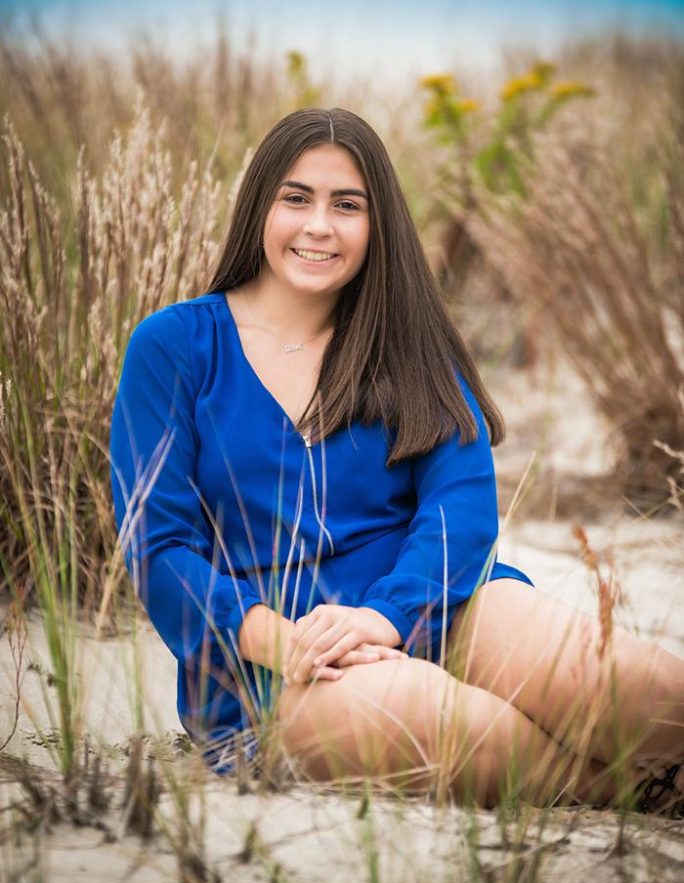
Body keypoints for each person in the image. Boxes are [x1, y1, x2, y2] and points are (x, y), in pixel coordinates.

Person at [110, 107, 684, 811]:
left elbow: (462, 508)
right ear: (259, 203)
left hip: (439, 607)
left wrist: (387, 615)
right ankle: (640, 795)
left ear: (376, 225)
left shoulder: (405, 343)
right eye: (297, 197)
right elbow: (157, 549)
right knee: (448, 719)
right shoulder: (174, 348)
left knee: (625, 683)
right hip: (272, 671)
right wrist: (285, 644)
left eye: (346, 205)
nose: (319, 225)